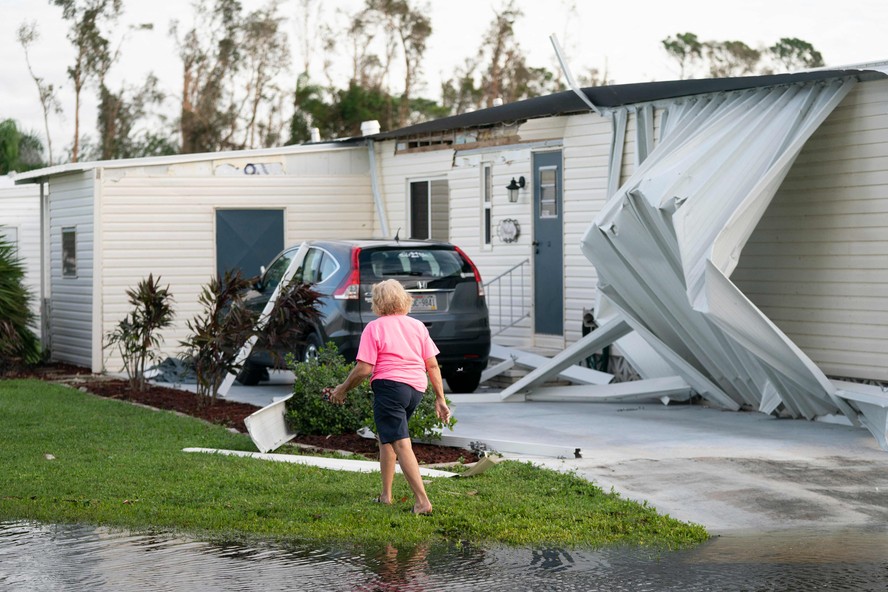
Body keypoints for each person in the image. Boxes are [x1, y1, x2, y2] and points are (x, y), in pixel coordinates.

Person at [329, 279, 450, 515]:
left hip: (390, 387)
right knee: (387, 438)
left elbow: (364, 369)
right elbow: (433, 365)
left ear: (378, 302)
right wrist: (440, 398)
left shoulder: (374, 328)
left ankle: (422, 501)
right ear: (404, 299)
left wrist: (342, 388)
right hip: (416, 389)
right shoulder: (417, 326)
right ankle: (386, 495)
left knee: (401, 443)